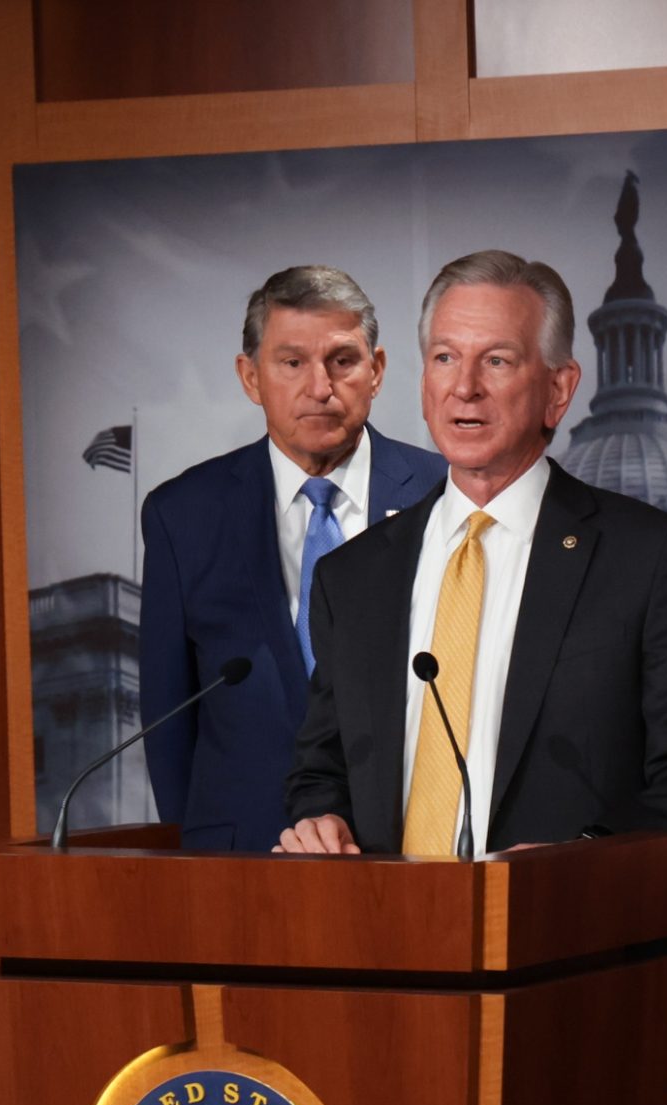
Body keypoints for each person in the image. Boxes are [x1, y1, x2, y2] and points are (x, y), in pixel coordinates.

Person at [277, 249, 667, 876]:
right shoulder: (354, 576)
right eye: (445, 357)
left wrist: (584, 862)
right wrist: (321, 819)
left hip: (565, 947)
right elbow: (321, 771)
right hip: (387, 950)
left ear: (559, 389)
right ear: (422, 384)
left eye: (496, 361)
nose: (464, 386)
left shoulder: (647, 557)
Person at [136, 265, 446, 849]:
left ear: (376, 371)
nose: (320, 387)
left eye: (342, 361)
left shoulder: (443, 495)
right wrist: (199, 855)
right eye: (292, 362)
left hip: (407, 853)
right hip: (241, 856)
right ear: (250, 377)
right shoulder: (183, 515)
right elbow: (169, 721)